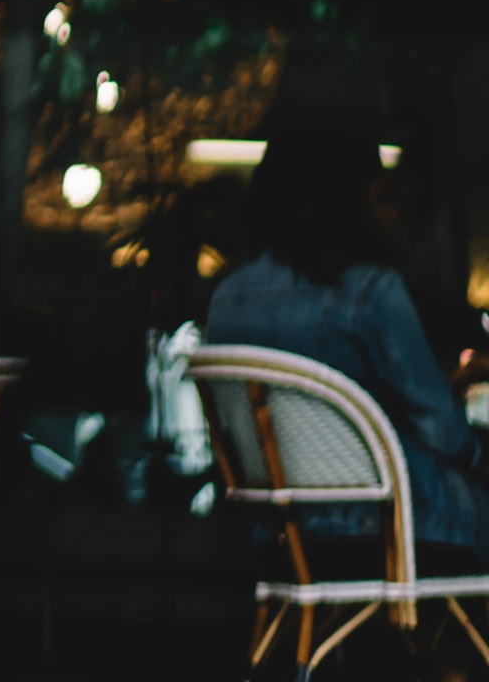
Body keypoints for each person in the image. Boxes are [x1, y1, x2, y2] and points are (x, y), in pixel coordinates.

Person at [208, 122, 489, 569]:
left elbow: (323, 405)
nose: (392, 214)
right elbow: (439, 428)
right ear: (342, 203)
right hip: (396, 526)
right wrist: (477, 452)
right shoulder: (372, 291)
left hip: (280, 538)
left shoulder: (227, 299)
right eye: (381, 198)